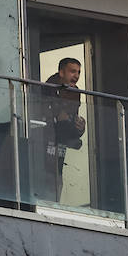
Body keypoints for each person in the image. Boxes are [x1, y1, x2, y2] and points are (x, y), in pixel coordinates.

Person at [40, 57, 86, 202]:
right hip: (44, 141)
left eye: (78, 72)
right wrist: (55, 116)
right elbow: (37, 112)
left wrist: (80, 128)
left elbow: (72, 120)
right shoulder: (46, 88)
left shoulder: (75, 92)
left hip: (61, 142)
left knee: (58, 178)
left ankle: (55, 206)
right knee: (46, 177)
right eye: (72, 71)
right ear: (61, 72)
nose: (76, 76)